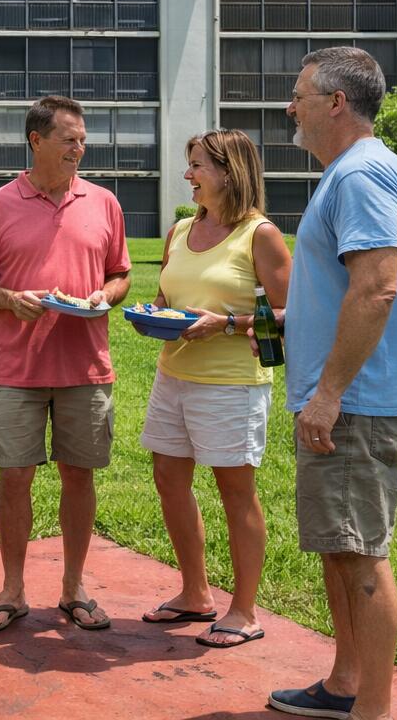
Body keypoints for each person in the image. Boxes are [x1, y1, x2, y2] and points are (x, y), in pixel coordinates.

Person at [265, 47, 397, 720]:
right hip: (342, 400)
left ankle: (372, 710)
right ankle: (344, 686)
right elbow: (345, 289)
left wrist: (328, 394)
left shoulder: (361, 174)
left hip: (354, 405)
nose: (289, 107)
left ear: (335, 102)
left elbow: (377, 288)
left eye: (299, 94)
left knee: (361, 557)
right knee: (340, 548)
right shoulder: (351, 173)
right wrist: (287, 319)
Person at [0, 95, 132, 634]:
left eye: (83, 140)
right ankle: (12, 590)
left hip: (86, 367)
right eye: (69, 139)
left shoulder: (104, 203)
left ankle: (73, 588)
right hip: (18, 370)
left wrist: (106, 297)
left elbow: (121, 274)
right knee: (15, 477)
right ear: (37, 141)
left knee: (79, 476)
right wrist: (10, 299)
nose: (80, 148)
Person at [140, 130, 290, 649]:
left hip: (232, 385)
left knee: (235, 491)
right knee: (168, 478)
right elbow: (168, 292)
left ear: (229, 171)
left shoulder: (260, 234)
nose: (188, 175)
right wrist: (155, 312)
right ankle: (194, 593)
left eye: (197, 165)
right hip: (173, 373)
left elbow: (290, 316)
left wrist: (225, 324)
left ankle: (244, 611)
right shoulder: (181, 229)